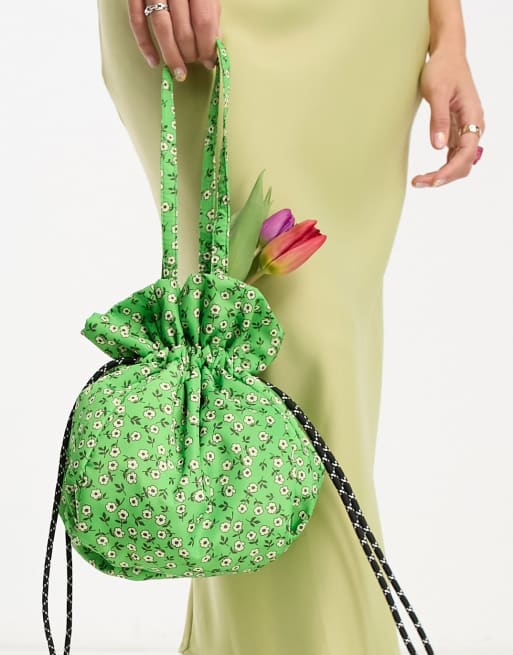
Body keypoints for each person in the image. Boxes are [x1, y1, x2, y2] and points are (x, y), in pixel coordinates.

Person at [96, 1, 485, 653]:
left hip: (364, 31)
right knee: (257, 365)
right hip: (205, 21)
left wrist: (449, 35)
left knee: (323, 368)